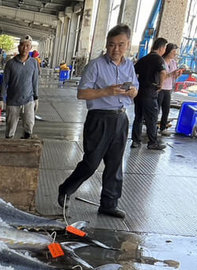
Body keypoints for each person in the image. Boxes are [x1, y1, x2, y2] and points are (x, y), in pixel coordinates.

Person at [57, 24, 138, 220]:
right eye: (111, 45)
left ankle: (109, 204)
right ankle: (66, 189)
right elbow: (82, 93)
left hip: (120, 118)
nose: (115, 49)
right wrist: (107, 91)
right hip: (99, 118)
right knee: (91, 162)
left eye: (120, 45)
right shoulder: (95, 65)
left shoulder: (129, 66)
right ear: (106, 45)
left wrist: (133, 92)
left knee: (115, 164)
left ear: (128, 45)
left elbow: (135, 90)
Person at [131, 36, 168, 150]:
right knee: (151, 118)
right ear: (162, 48)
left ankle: (135, 141)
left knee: (138, 117)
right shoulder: (159, 59)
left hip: (139, 92)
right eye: (165, 48)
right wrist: (161, 84)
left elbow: (133, 73)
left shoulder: (143, 59)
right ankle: (152, 142)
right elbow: (162, 72)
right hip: (150, 92)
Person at [0, 35, 39, 139]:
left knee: (29, 125)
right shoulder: (10, 64)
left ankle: (25, 145)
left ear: (31, 48)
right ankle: (9, 147)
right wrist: (1, 98)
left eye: (27, 46)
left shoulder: (34, 63)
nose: (25, 48)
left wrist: (36, 97)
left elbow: (35, 81)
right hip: (13, 101)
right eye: (22, 45)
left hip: (28, 100)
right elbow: (4, 82)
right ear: (18, 47)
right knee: (10, 127)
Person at [157, 43, 181, 136]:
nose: (175, 54)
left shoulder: (173, 62)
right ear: (168, 51)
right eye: (173, 52)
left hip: (168, 88)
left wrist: (176, 75)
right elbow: (161, 76)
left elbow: (173, 77)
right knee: (157, 109)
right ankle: (153, 127)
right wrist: (171, 74)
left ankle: (163, 127)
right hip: (161, 88)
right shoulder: (161, 62)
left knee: (166, 109)